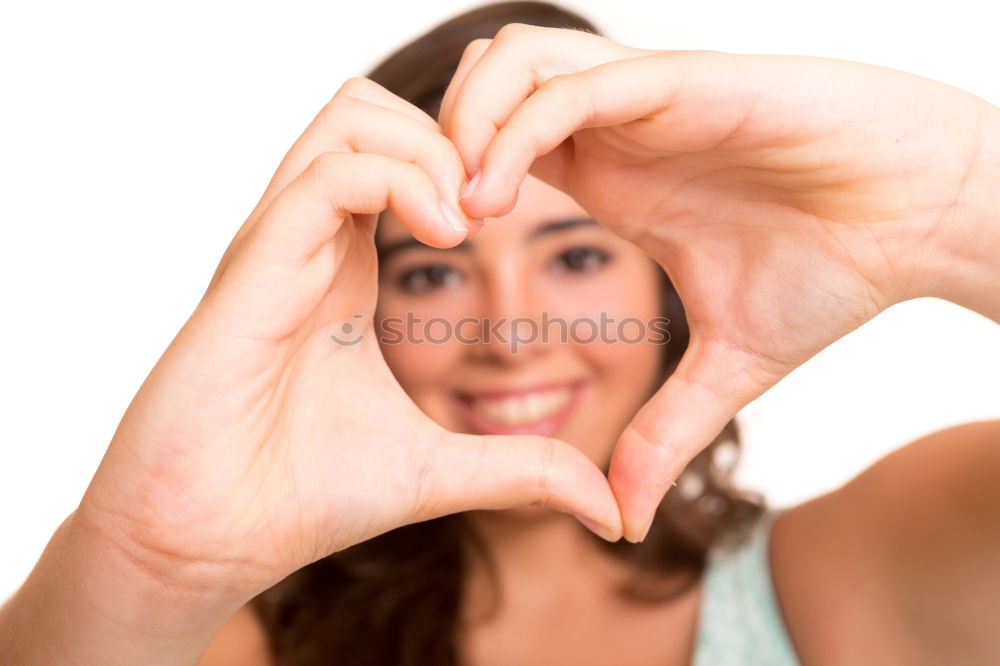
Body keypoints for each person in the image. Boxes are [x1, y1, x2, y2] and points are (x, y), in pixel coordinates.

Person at [2, 2, 998, 664]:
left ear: (667, 290)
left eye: (573, 258)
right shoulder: (226, 637)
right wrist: (146, 564)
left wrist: (952, 198)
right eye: (433, 271)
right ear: (356, 314)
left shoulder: (870, 561)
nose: (511, 339)